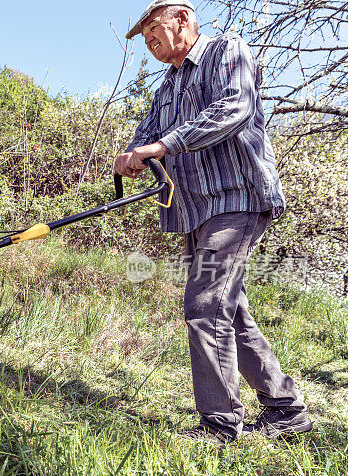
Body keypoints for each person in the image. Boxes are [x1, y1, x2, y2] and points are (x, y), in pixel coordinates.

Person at [115, 0, 312, 443]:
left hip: (237, 197)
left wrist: (165, 145)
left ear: (181, 19)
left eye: (152, 33)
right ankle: (286, 409)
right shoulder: (167, 86)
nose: (149, 44)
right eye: (144, 40)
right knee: (229, 308)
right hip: (193, 208)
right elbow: (147, 133)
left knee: (205, 304)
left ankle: (219, 424)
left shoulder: (228, 51)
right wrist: (131, 153)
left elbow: (234, 109)